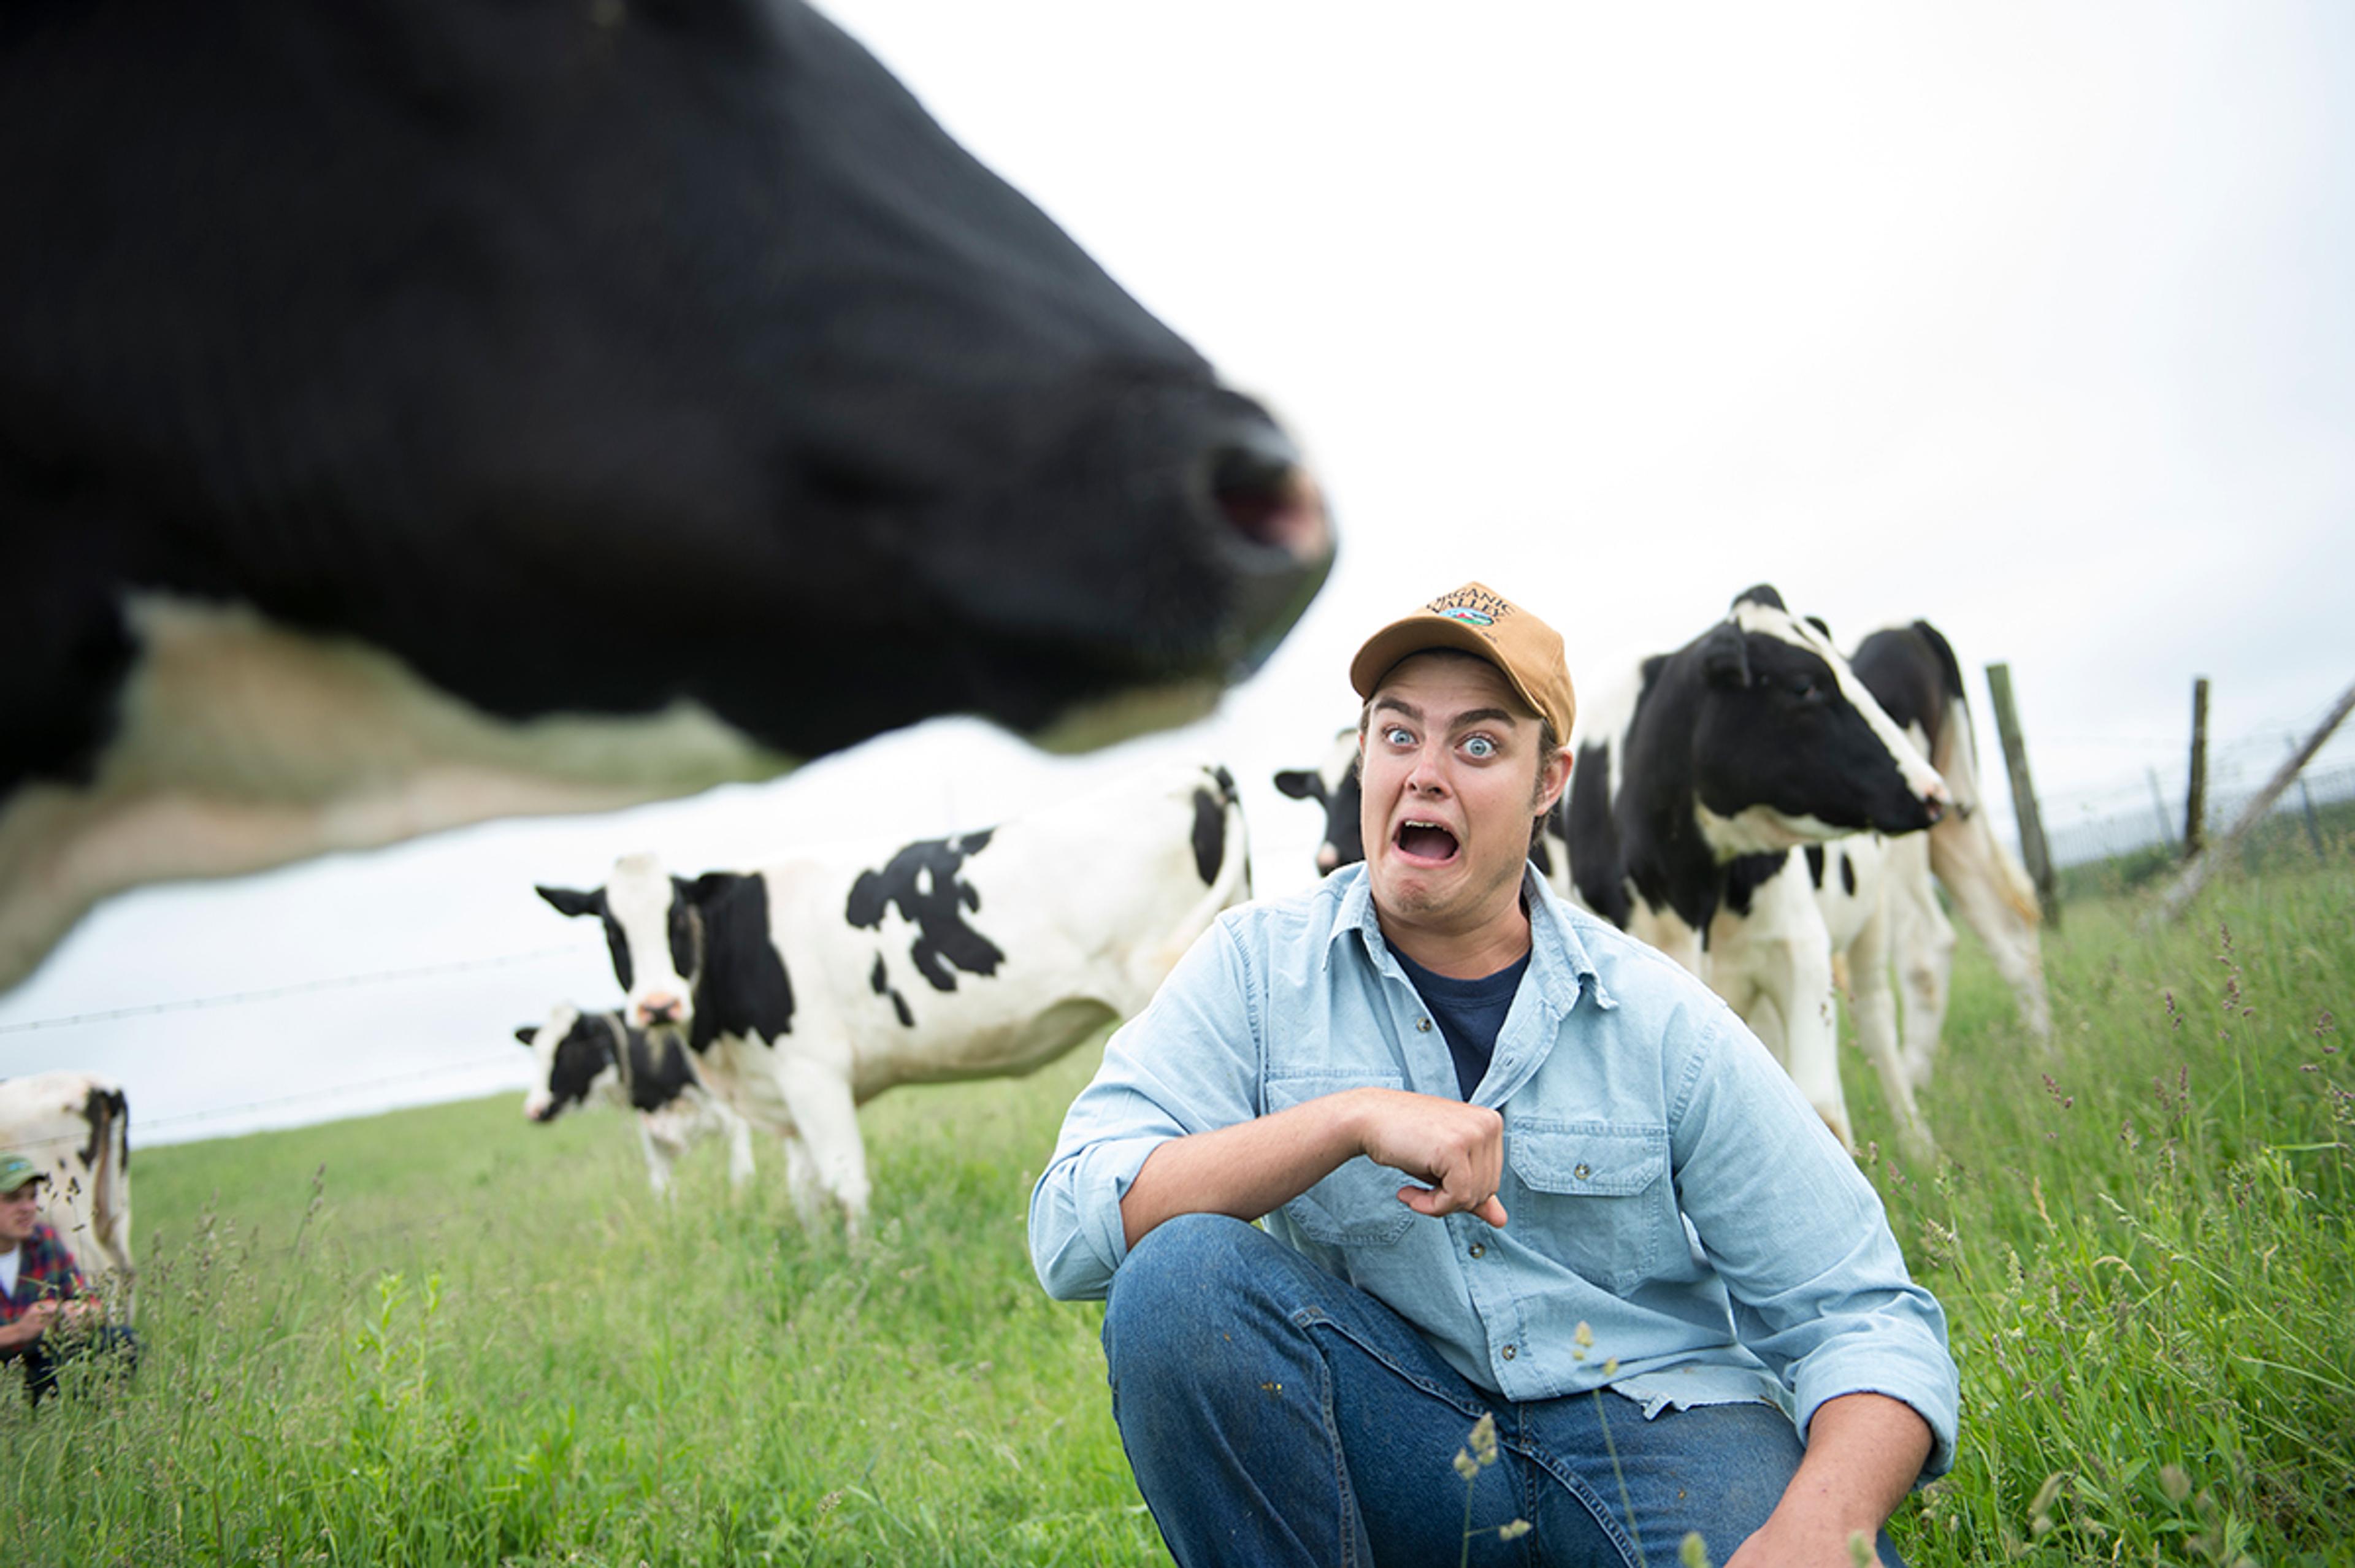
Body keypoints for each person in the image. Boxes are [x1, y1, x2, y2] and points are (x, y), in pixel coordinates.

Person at [1028, 582, 1958, 1567]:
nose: (1425, 775)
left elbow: (1864, 1315)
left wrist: (1816, 1528)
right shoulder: (1256, 972)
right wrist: (1344, 1120)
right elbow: (1072, 1230)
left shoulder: (1660, 1017)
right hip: (1410, 1440)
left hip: (1663, 1431)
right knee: (1179, 1280)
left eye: (1477, 745)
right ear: (1363, 753)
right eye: (1398, 735)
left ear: (1549, 781)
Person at [0, 1152, 137, 1404]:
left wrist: (74, 1313)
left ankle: (99, 1413)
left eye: (32, 1197)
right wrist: (18, 1331)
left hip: (40, 1359)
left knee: (121, 1340)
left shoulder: (44, 1241)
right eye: (13, 1199)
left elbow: (95, 1307)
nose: (28, 1208)